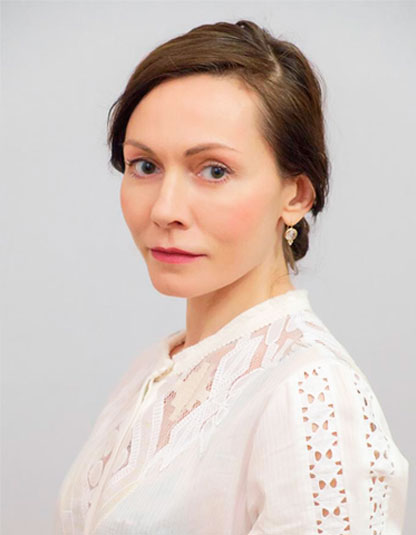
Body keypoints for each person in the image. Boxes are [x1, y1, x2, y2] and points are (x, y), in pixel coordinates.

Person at [55, 19, 409, 534]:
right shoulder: (155, 369)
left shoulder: (308, 392)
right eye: (145, 166)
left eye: (214, 170)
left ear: (296, 195)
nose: (165, 209)